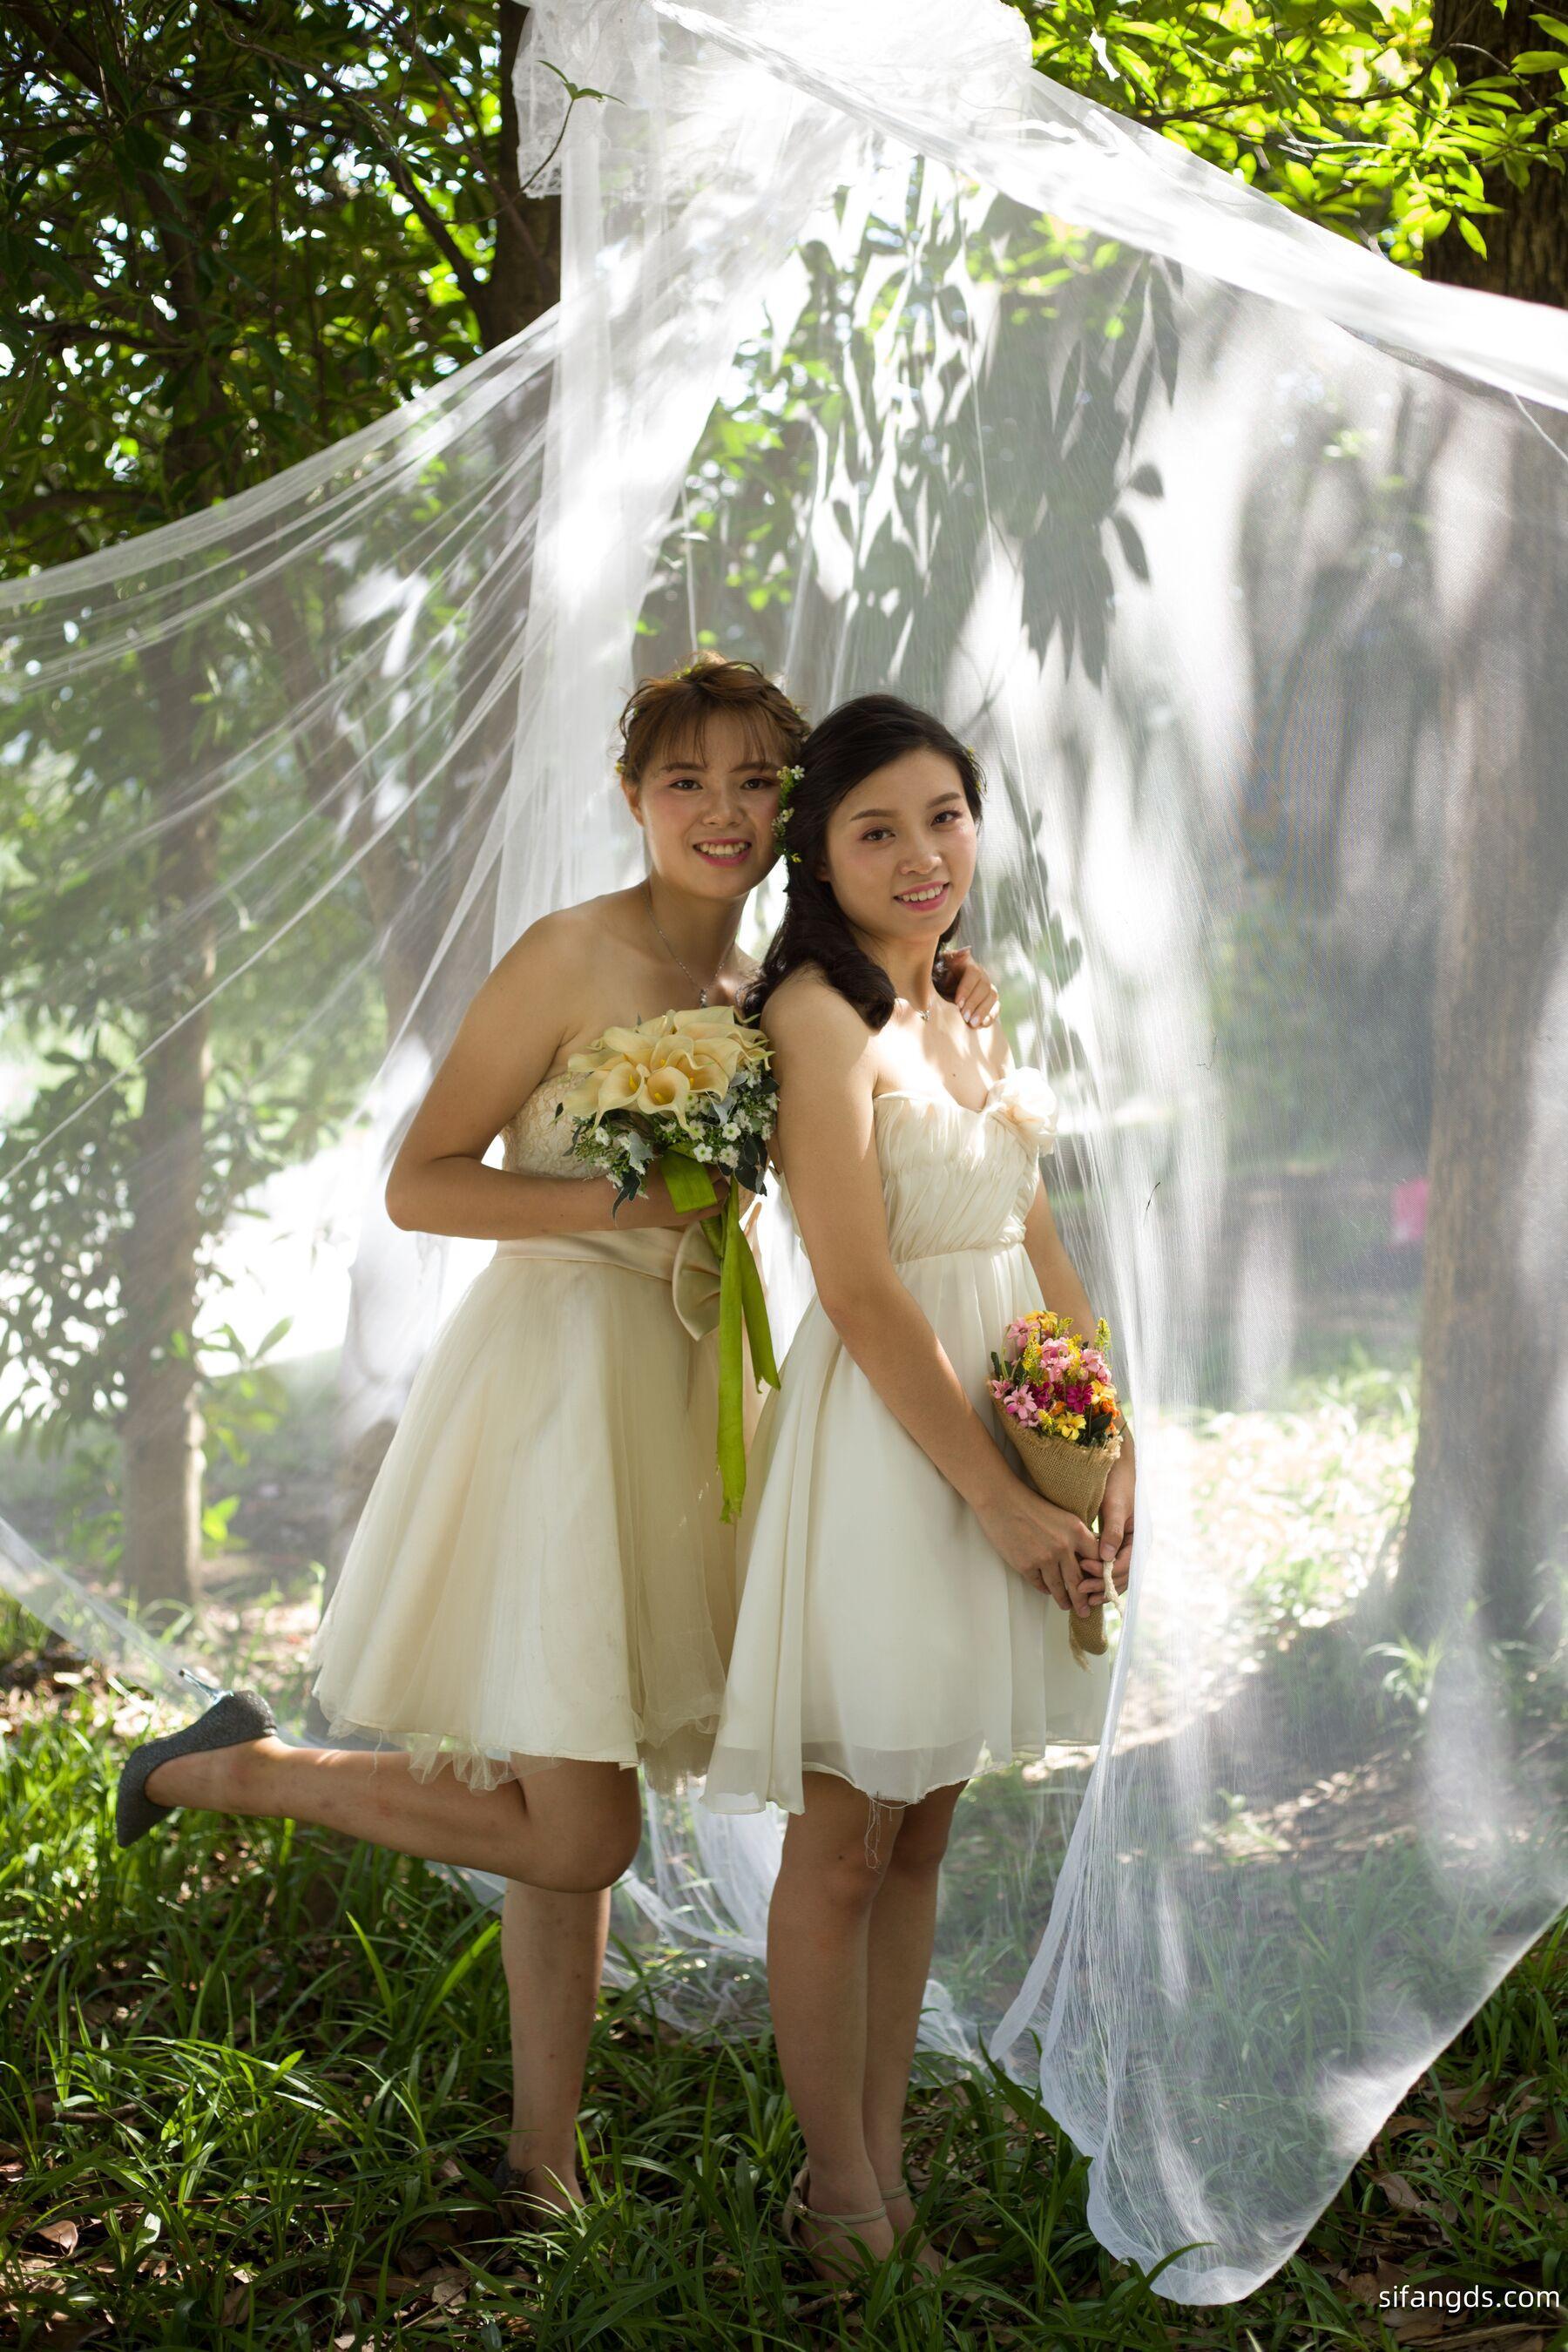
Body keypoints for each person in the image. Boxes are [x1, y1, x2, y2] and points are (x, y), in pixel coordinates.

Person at [112, 655, 1003, 2225]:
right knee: (581, 1833)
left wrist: (947, 993)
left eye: (753, 784)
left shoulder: (770, 988)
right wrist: (615, 1199)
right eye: (684, 781)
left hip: (693, 1393)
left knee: (572, 1772)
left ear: (791, 811)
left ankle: (544, 2164)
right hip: (558, 1390)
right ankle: (233, 1773)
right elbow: (422, 1181)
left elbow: (869, 1090)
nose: (719, 812)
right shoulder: (570, 953)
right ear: (633, 795)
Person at [701, 693, 1136, 2281]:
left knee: (922, 1831)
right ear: (818, 854)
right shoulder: (816, 1015)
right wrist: (995, 1501)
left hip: (1008, 1421)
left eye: (943, 815)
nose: (919, 852)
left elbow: (1033, 1234)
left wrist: (1108, 1445)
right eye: (875, 827)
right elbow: (860, 1284)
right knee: (843, 1839)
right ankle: (840, 2200)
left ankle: (880, 2181)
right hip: (894, 1449)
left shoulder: (961, 1003)